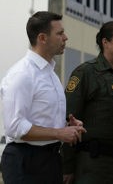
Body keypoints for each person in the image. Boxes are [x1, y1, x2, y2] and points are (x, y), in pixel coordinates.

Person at [0, 11, 86, 184]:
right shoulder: (22, 75)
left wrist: (67, 126)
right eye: (60, 33)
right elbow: (15, 127)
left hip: (50, 159)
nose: (66, 37)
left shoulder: (50, 74)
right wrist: (59, 133)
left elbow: (40, 118)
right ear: (42, 38)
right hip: (25, 161)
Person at [62, 20, 113, 183]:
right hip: (93, 168)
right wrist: (67, 166)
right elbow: (68, 121)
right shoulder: (85, 73)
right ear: (105, 42)